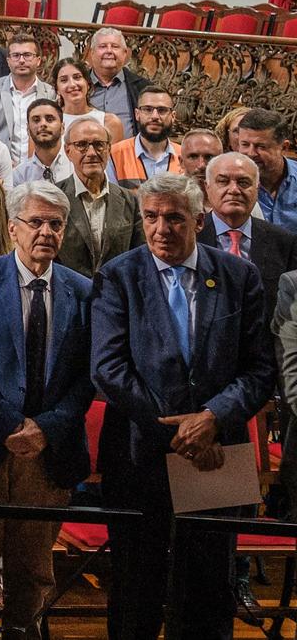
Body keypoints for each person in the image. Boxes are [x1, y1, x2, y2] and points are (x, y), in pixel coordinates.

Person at [93, 172, 274, 640]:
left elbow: (259, 370)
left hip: (218, 453)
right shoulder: (118, 275)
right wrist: (182, 433)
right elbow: (109, 369)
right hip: (139, 452)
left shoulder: (239, 275)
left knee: (209, 588)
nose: (160, 229)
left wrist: (213, 418)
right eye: (150, 217)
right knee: (136, 587)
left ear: (198, 220)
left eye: (174, 218)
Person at [0, 181, 96, 640]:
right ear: (12, 227)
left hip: (48, 456)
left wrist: (45, 429)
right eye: (35, 222)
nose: (46, 232)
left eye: (56, 224)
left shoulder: (85, 290)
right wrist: (12, 423)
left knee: (33, 575)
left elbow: (89, 374)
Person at [55, 116, 142, 276]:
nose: (91, 153)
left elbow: (138, 256)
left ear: (109, 150)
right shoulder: (54, 199)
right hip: (69, 294)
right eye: (81, 145)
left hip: (117, 295)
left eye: (99, 145)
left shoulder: (131, 201)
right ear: (68, 151)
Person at [198, 150, 297, 289]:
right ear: (207, 187)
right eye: (223, 181)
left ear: (257, 189)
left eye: (243, 182)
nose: (234, 190)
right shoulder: (190, 236)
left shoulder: (284, 242)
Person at [0, 31, 52, 160]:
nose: (22, 60)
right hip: (1, 168)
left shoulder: (50, 92)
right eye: (16, 55)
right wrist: (3, 165)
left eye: (27, 55)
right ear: (8, 61)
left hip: (40, 168)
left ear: (38, 60)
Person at [112, 85, 182, 186]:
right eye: (148, 109)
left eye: (162, 110)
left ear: (173, 116)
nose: (155, 116)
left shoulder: (185, 156)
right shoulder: (114, 155)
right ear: (137, 114)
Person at [85, 28, 149, 132]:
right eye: (103, 46)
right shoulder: (77, 85)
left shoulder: (142, 87)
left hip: (128, 148)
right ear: (92, 53)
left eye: (115, 46)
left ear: (125, 53)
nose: (109, 51)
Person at [53, 55, 123, 144]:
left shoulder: (109, 122)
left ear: (88, 84)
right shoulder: (48, 122)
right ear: (57, 89)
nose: (72, 84)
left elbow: (116, 157)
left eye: (77, 77)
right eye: (64, 80)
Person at [11, 96, 75, 187]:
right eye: (36, 120)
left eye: (49, 119)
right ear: (28, 129)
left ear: (62, 127)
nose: (43, 124)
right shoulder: (19, 175)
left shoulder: (76, 166)